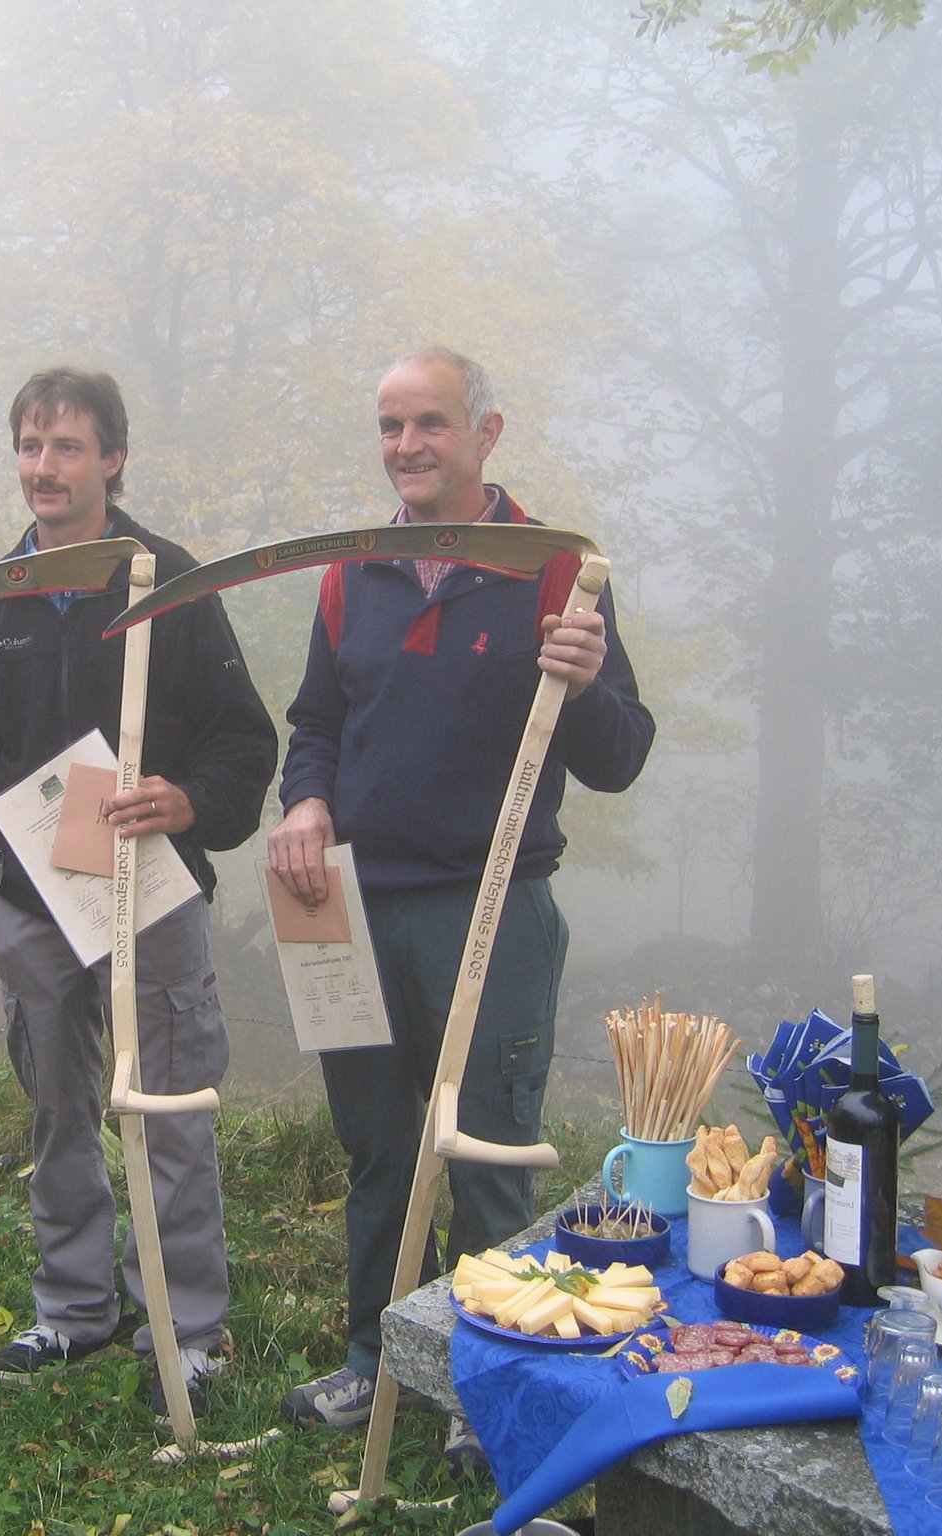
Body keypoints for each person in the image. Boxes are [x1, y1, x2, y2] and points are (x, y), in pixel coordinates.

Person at [268, 347, 654, 1460]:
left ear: (486, 434)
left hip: (488, 905)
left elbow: (620, 756)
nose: (406, 447)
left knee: (488, 1155)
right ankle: (376, 1361)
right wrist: (304, 802)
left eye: (430, 423)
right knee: (378, 1152)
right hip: (346, 907)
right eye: (390, 426)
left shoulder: (555, 569)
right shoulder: (352, 573)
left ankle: (491, 1385)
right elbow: (316, 724)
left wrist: (584, 682)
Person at [0, 367, 277, 1420]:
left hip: (151, 890)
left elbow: (244, 742)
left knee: (167, 1105)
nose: (44, 468)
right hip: (31, 905)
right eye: (30, 447)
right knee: (58, 1105)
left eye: (68, 447)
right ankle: (73, 1309)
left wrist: (187, 800)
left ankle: (183, 1325)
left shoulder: (168, 586)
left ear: (112, 458)